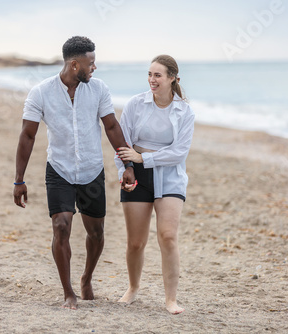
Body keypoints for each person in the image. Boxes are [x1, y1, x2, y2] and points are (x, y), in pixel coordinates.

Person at [13, 36, 136, 310]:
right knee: (61, 227)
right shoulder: (41, 92)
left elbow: (112, 127)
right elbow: (27, 136)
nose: (95, 68)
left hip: (92, 170)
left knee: (96, 232)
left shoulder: (99, 89)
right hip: (59, 170)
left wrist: (128, 164)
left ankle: (86, 278)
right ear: (75, 64)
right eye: (91, 63)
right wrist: (19, 179)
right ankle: (68, 291)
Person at [115, 55, 195, 314]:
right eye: (150, 74)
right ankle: (133, 288)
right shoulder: (136, 104)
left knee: (168, 236)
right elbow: (122, 143)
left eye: (158, 75)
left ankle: (171, 299)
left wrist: (144, 157)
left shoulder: (185, 110)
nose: (152, 80)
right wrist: (125, 170)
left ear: (172, 78)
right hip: (136, 173)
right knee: (136, 242)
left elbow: (179, 152)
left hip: (170, 175)